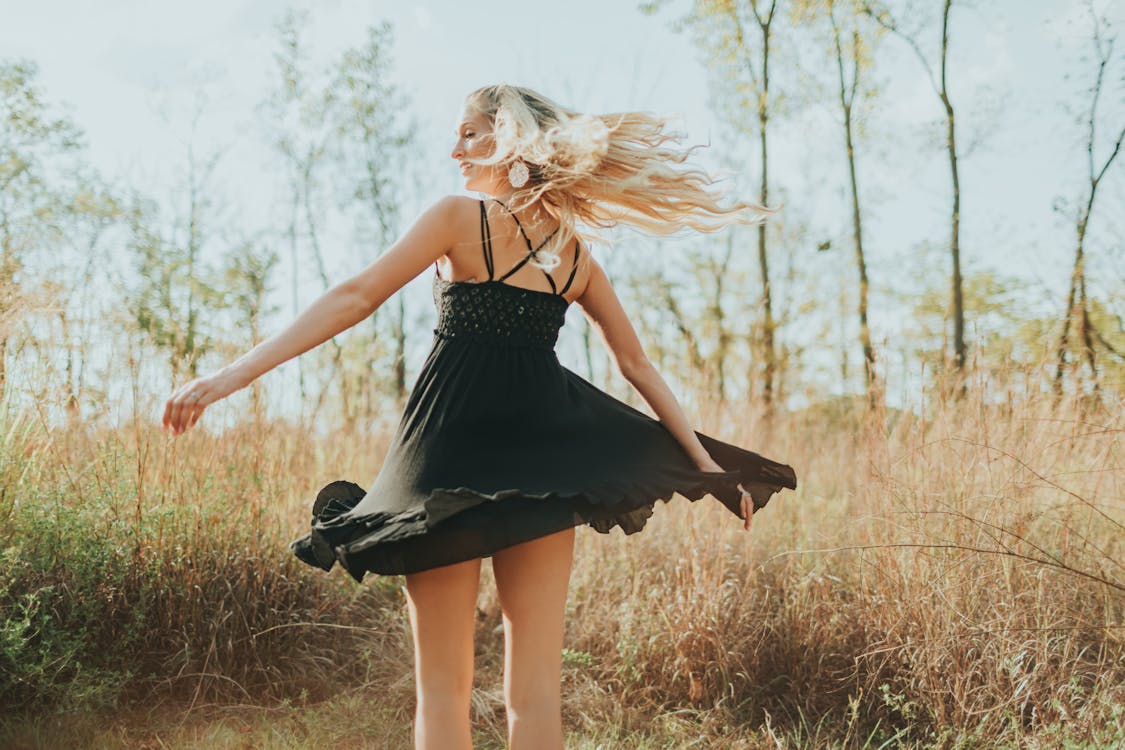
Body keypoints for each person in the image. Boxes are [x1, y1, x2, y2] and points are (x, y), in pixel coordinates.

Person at [162, 84, 797, 750]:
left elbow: (354, 297)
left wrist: (227, 378)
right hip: (545, 469)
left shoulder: (456, 218)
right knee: (535, 691)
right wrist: (706, 465)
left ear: (510, 139)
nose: (453, 149)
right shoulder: (572, 255)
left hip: (445, 461)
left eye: (468, 133)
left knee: (443, 690)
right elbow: (637, 367)